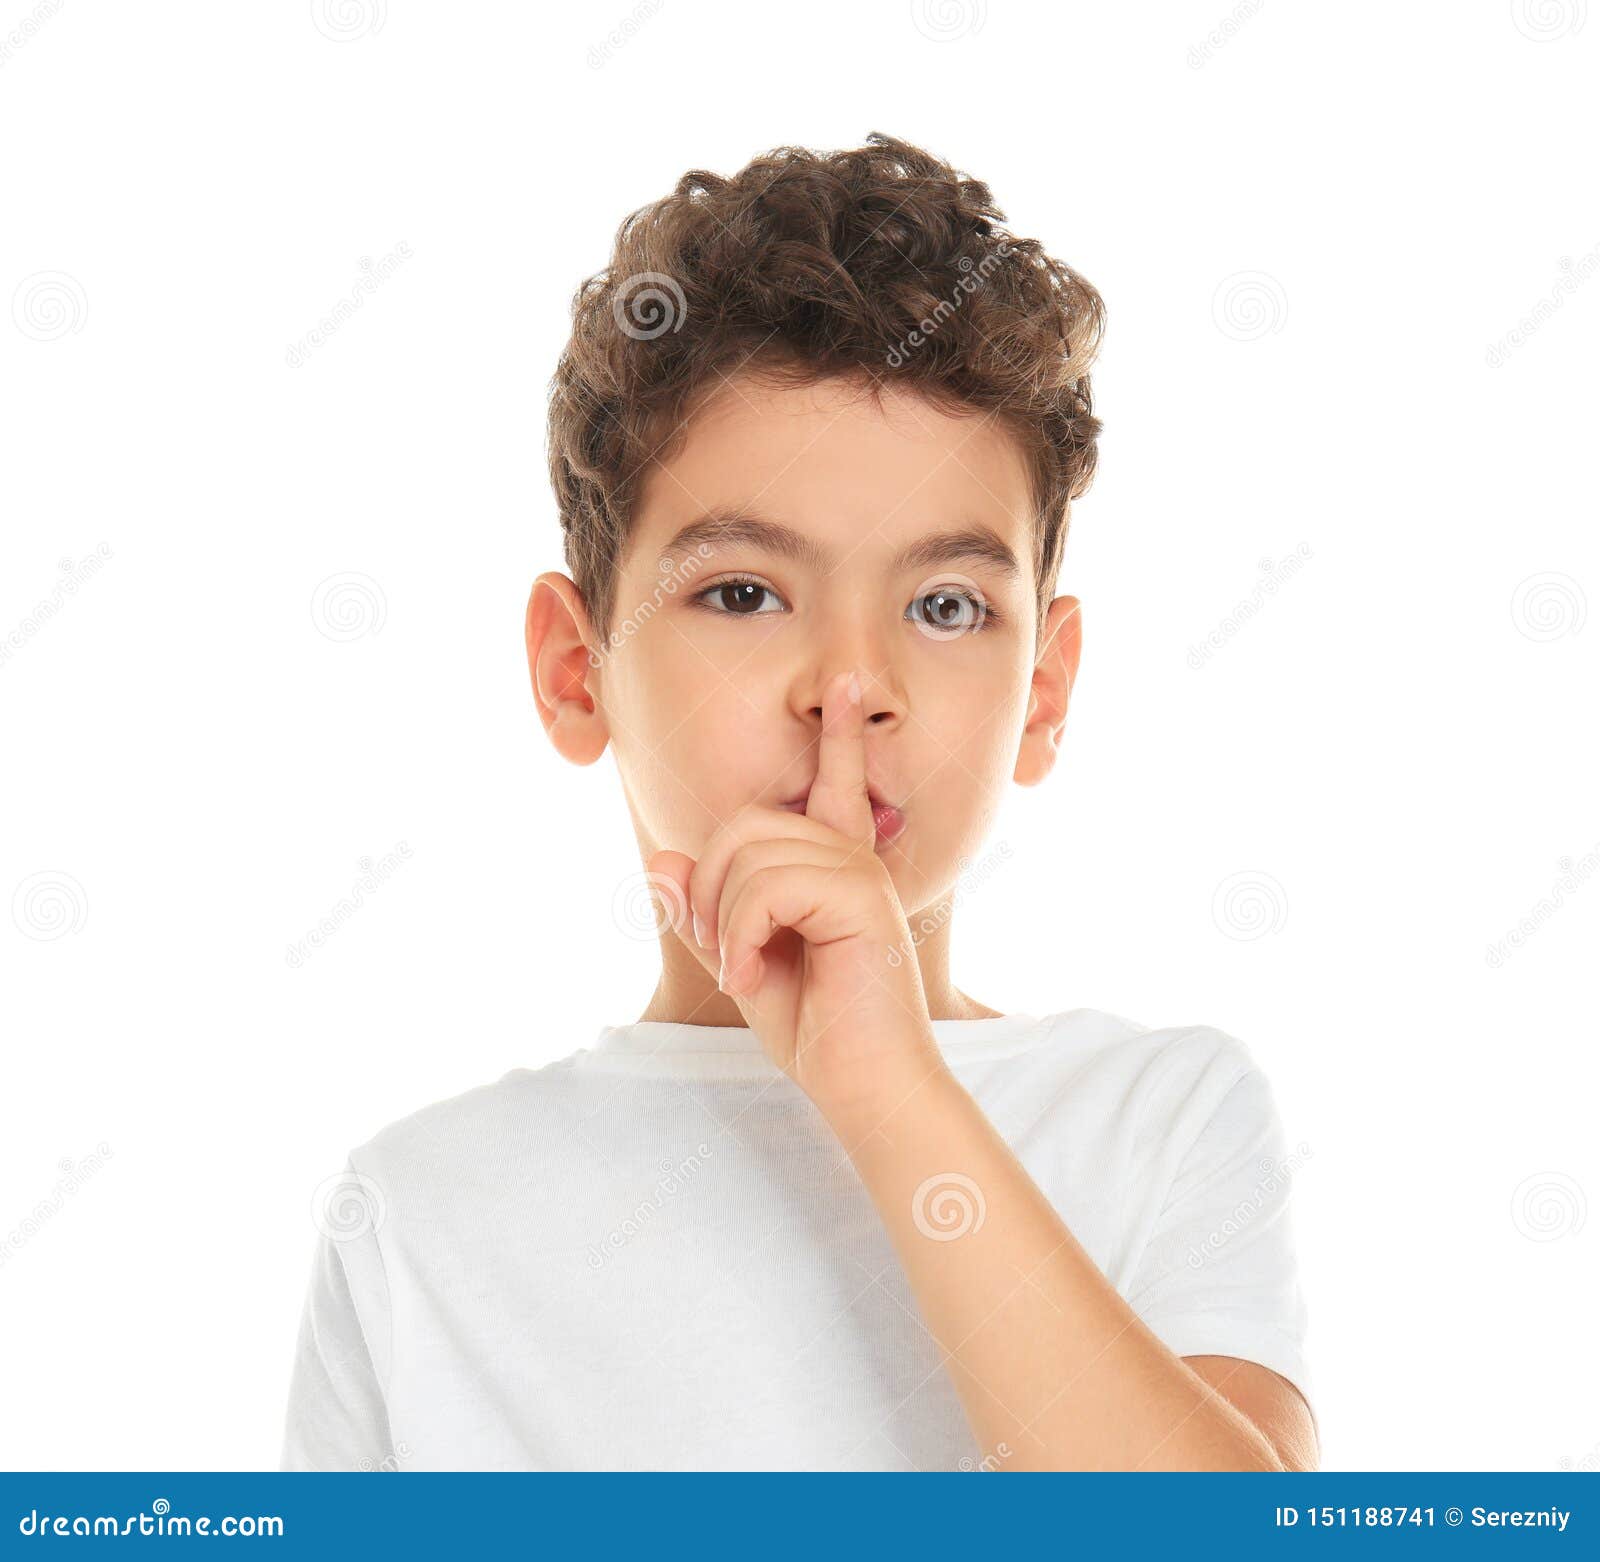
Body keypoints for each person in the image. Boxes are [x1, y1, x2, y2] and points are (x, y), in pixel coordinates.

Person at [280, 132, 1318, 1472]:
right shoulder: (416, 1214)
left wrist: (887, 1082)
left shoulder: (1160, 1115)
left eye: (944, 606)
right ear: (572, 669)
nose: (850, 683)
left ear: (1044, 691)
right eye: (743, 591)